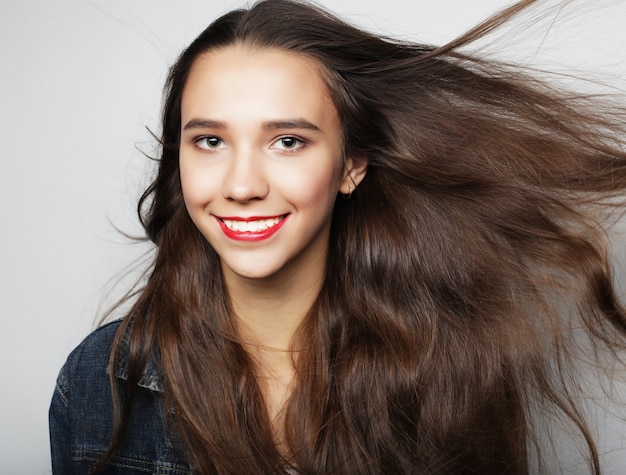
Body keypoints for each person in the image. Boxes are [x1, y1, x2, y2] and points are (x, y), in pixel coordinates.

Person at [49, 0, 626, 473]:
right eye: (209, 141)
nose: (242, 185)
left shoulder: (444, 370)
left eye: (288, 141)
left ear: (352, 164)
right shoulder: (101, 381)